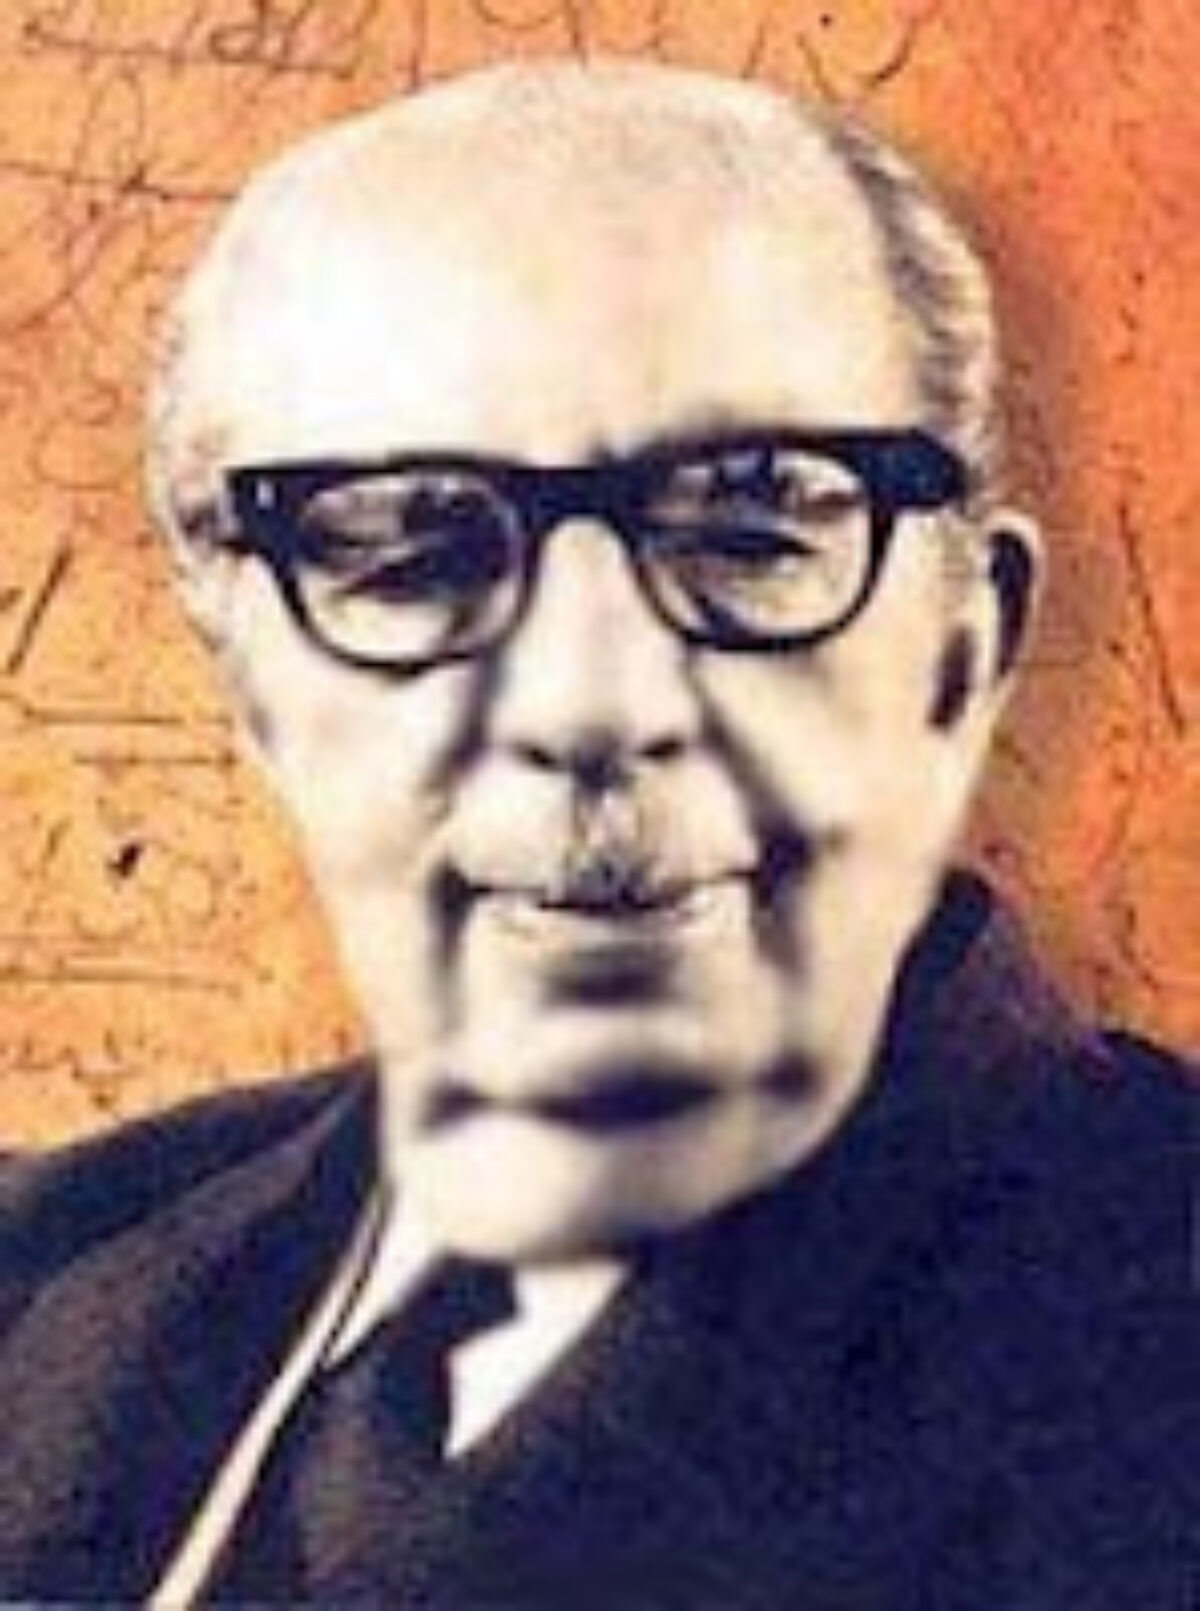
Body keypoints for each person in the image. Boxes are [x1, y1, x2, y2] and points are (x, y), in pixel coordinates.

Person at [0, 58, 1192, 1609]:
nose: (590, 702)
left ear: (968, 649)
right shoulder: (47, 1278)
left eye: (747, 535)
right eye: (410, 557)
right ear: (249, 684)